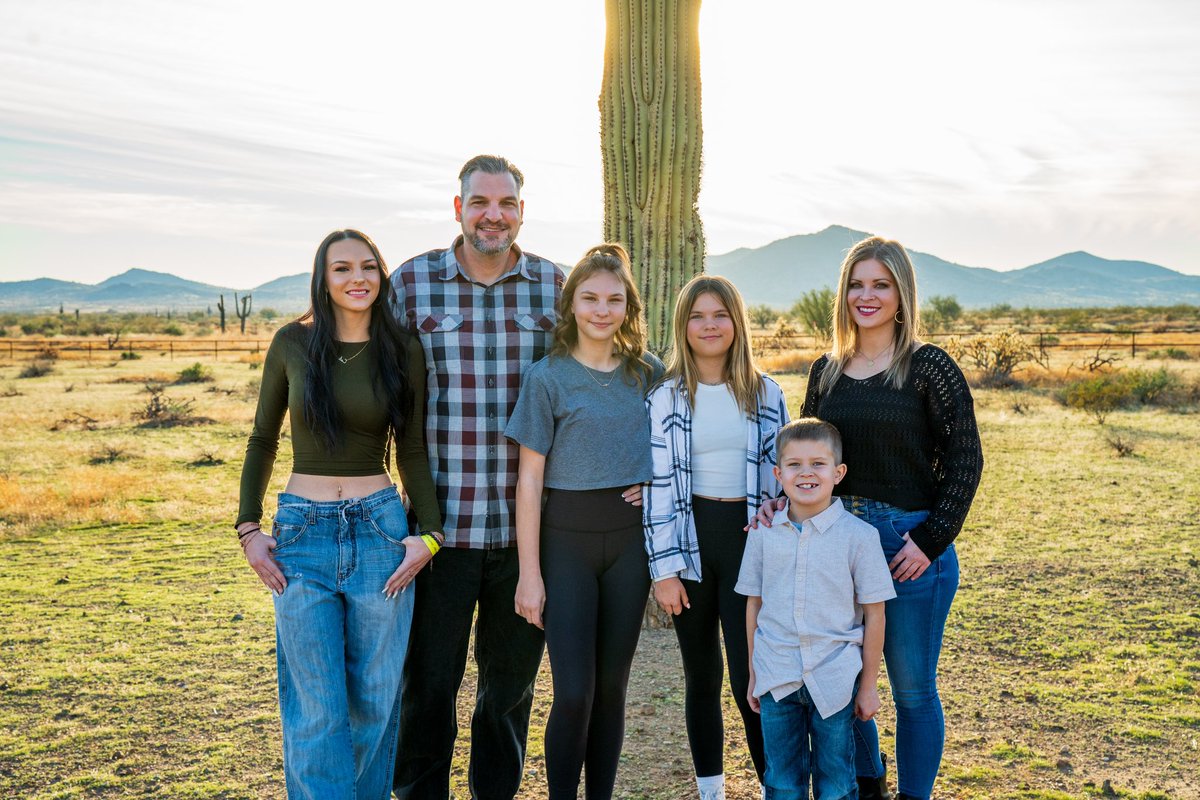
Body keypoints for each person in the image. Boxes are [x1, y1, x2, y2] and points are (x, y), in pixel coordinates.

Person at [391, 156, 637, 800]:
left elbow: (604, 370)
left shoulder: (555, 286)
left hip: (528, 539)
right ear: (459, 208)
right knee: (428, 688)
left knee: (508, 694)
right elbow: (371, 376)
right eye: (480, 202)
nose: (492, 214)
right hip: (438, 532)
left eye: (505, 203)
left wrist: (640, 474)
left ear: (521, 211)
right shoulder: (412, 285)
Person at [754, 236, 983, 800]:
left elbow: (965, 460)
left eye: (881, 284)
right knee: (840, 680)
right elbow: (812, 455)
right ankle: (868, 784)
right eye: (857, 284)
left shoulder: (928, 367)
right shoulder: (826, 370)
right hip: (832, 543)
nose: (867, 295)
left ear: (901, 293)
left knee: (909, 690)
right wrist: (780, 502)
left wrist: (929, 541)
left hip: (907, 549)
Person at [236, 229, 445, 800]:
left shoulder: (402, 347)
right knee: (317, 709)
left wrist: (429, 535)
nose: (358, 279)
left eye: (369, 267)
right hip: (301, 534)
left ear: (381, 276)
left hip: (380, 531)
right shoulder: (291, 343)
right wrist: (248, 528)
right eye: (342, 269)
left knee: (375, 702)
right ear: (322, 279)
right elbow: (262, 439)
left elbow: (412, 448)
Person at [506, 243, 662, 800]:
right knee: (573, 692)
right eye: (590, 298)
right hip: (564, 545)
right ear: (571, 304)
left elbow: (674, 450)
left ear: (628, 308)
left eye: (614, 300)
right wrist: (530, 574)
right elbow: (528, 480)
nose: (602, 309)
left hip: (629, 548)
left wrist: (655, 482)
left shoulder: (649, 374)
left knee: (612, 690)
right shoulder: (547, 378)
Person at [642, 275, 789, 799]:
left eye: (720, 314)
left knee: (754, 675)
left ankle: (777, 784)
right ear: (683, 326)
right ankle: (712, 790)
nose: (709, 325)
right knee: (701, 676)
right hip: (690, 540)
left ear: (736, 322)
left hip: (750, 541)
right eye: (698, 316)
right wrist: (663, 570)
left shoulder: (767, 394)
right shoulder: (664, 399)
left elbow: (788, 476)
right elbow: (656, 489)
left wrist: (782, 511)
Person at [737, 419, 895, 800]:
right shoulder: (762, 533)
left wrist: (869, 685)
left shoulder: (860, 537)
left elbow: (875, 615)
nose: (806, 473)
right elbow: (753, 605)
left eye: (818, 464)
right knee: (782, 782)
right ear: (778, 473)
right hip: (777, 676)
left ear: (838, 473)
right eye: (794, 465)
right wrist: (753, 672)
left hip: (835, 678)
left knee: (837, 782)